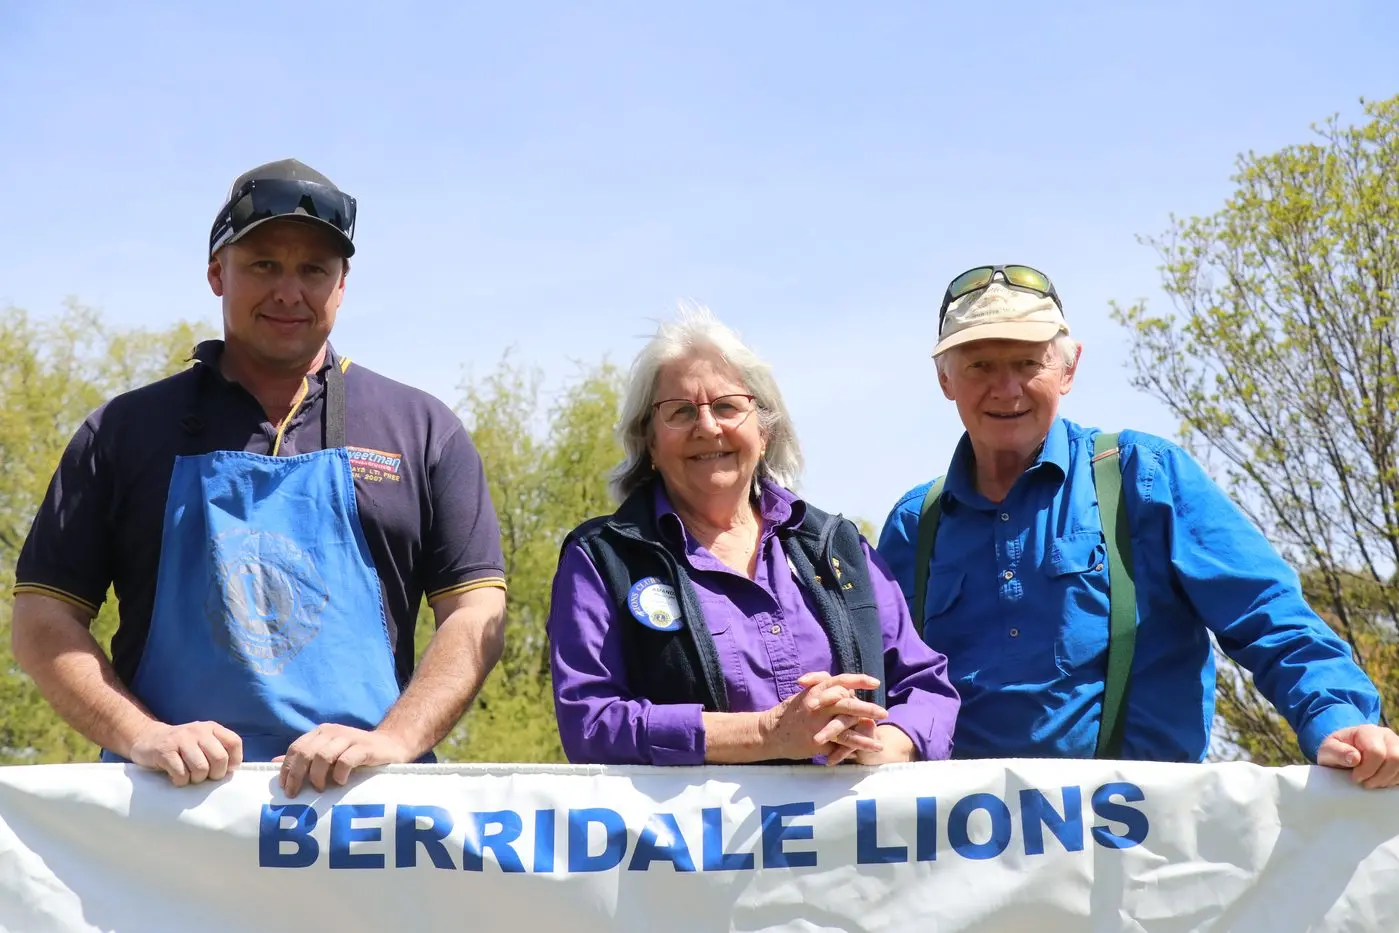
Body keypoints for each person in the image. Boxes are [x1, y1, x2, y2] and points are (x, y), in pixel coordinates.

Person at [10, 159, 508, 796]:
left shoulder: (422, 429)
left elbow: (475, 611)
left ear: (342, 284)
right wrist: (141, 735)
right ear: (217, 273)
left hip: (367, 814)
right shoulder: (122, 432)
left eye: (313, 270)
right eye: (264, 265)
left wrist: (398, 739)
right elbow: (42, 619)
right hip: (167, 821)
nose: (289, 292)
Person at [877, 264, 1399, 788]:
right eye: (980, 365)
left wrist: (1343, 720)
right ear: (945, 379)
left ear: (1068, 368)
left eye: (1027, 362)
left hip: (1140, 847)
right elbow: (882, 683)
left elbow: (1267, 614)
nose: (1006, 387)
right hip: (964, 850)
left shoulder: (1143, 475)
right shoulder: (912, 526)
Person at [548, 308, 959, 766]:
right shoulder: (604, 560)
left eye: (727, 406)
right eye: (680, 411)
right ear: (650, 442)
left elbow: (926, 687)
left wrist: (882, 747)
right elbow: (591, 723)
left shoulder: (836, 547)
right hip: (697, 838)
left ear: (764, 431)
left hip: (850, 833)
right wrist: (766, 733)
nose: (707, 427)